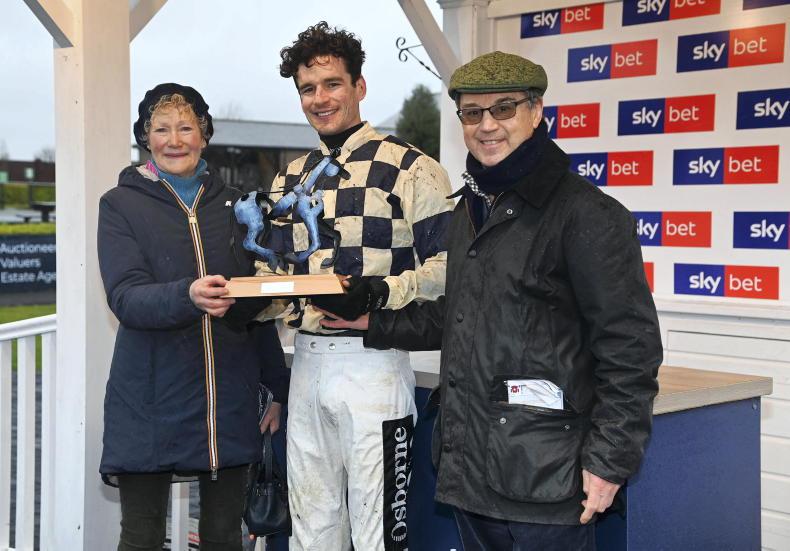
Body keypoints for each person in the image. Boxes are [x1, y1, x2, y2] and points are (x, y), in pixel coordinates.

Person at [320, 51, 663, 551]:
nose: (487, 126)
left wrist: (610, 462)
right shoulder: (472, 209)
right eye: (472, 113)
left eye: (504, 109)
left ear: (536, 111)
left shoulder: (587, 214)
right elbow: (458, 314)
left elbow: (631, 351)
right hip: (471, 471)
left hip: (548, 480)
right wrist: (372, 323)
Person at [255, 22, 454, 551]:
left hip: (375, 363)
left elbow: (450, 268)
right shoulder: (288, 179)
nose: (320, 98)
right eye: (307, 88)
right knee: (311, 531)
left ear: (359, 86)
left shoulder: (412, 167)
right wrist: (241, 300)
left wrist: (379, 292)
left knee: (378, 534)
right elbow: (273, 275)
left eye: (332, 84)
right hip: (305, 364)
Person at [97, 83, 287, 551]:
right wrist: (188, 296)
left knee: (224, 536)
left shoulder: (239, 206)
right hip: (149, 400)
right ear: (145, 137)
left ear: (204, 135)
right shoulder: (119, 204)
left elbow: (256, 308)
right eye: (161, 129)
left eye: (186, 128)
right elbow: (125, 297)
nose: (174, 140)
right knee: (141, 538)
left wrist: (276, 390)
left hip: (228, 401)